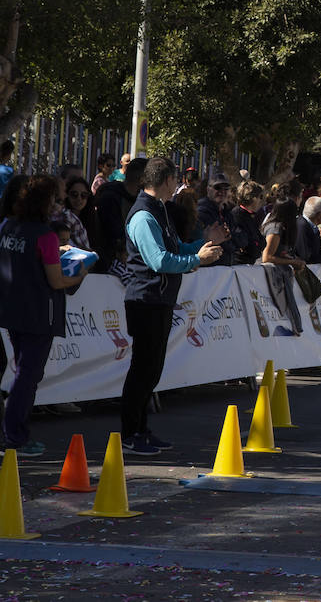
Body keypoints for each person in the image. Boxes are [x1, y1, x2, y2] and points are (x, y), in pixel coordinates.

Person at [120, 157, 226, 456]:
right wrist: (197, 260)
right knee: (143, 370)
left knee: (152, 370)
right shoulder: (143, 215)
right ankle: (130, 433)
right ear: (166, 180)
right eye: (174, 178)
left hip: (160, 299)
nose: (177, 183)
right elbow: (158, 260)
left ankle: (141, 429)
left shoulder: (160, 211)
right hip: (145, 300)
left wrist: (203, 245)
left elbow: (175, 250)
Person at [0, 175, 89, 457]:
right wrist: (79, 274)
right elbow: (57, 281)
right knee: (27, 376)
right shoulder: (44, 235)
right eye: (54, 199)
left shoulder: (8, 227)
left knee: (24, 372)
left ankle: (15, 433)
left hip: (11, 309)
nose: (58, 204)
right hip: (38, 313)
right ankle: (15, 436)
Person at [93, 157, 145, 274]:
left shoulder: (138, 198)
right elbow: (111, 234)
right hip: (110, 265)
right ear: (142, 179)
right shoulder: (110, 197)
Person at [230, 181, 266, 265]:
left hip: (247, 265)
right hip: (238, 266)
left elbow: (262, 242)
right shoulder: (237, 215)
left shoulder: (249, 216)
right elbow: (249, 246)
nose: (261, 201)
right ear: (252, 198)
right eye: (260, 197)